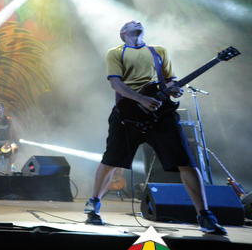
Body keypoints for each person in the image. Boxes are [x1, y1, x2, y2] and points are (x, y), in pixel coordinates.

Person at [85, 21, 226, 234]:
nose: (136, 22)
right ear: (123, 32)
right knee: (111, 160)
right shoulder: (115, 53)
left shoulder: (159, 51)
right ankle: (93, 206)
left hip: (161, 115)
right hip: (128, 115)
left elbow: (170, 80)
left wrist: (174, 89)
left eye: (138, 22)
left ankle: (204, 216)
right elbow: (116, 84)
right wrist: (140, 99)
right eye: (130, 23)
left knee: (186, 162)